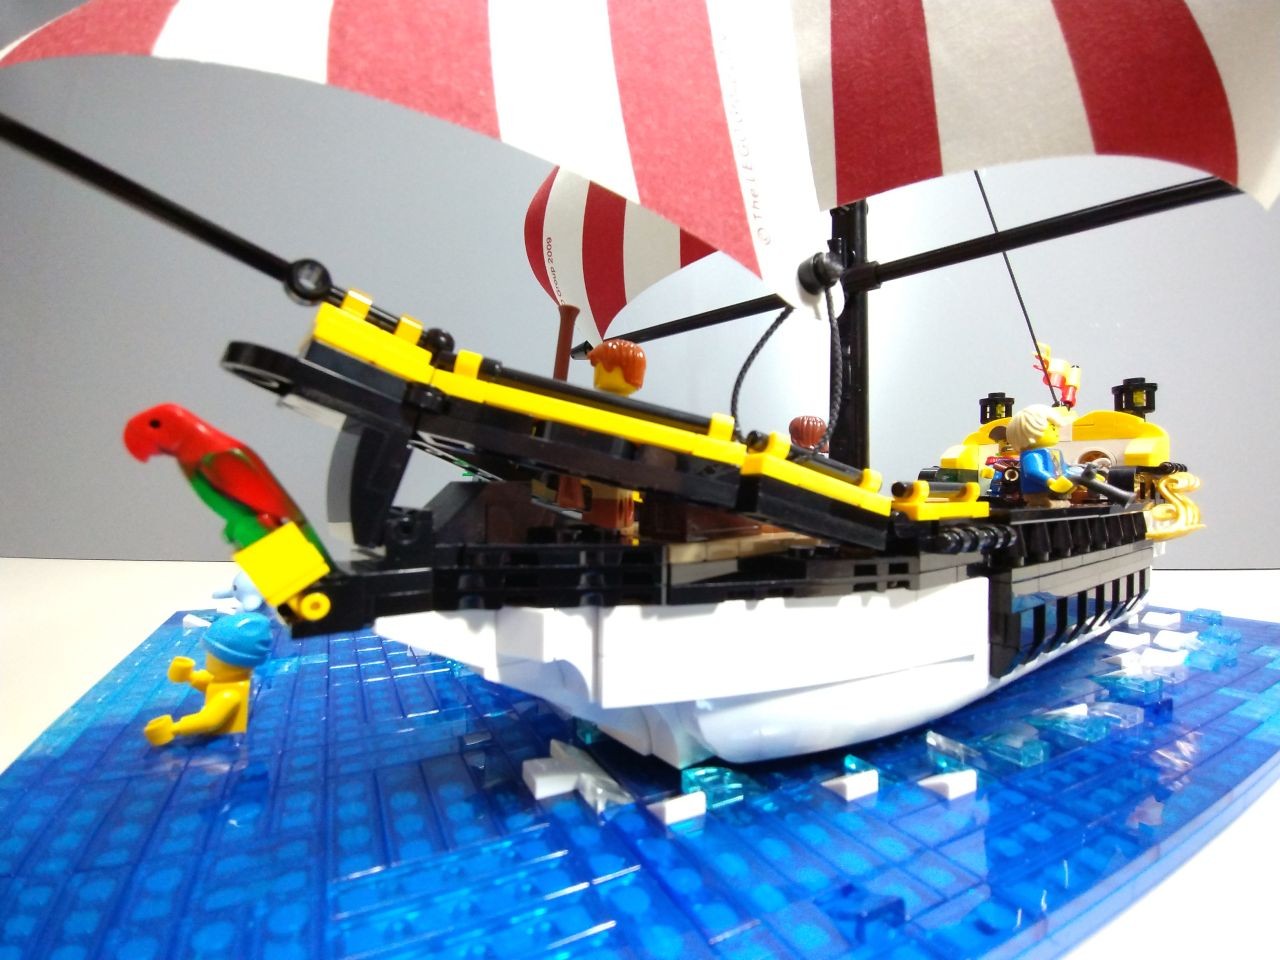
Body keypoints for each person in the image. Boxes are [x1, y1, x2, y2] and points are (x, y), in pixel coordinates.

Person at [1005, 404, 1079, 508]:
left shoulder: (1054, 453)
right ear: (1030, 431)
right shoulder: (1032, 455)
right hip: (1039, 492)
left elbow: (1063, 468)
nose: (1057, 432)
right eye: (1052, 428)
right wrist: (1050, 481)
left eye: (1056, 428)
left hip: (1058, 491)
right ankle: (1044, 502)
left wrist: (1076, 474)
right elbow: (1033, 471)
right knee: (1046, 504)